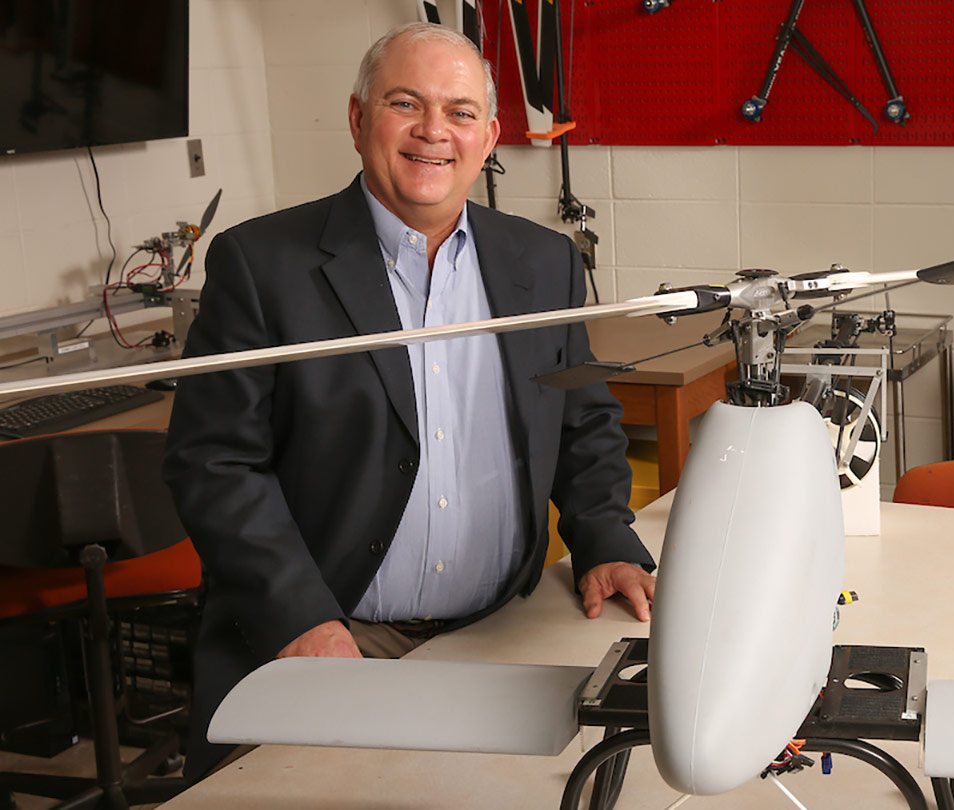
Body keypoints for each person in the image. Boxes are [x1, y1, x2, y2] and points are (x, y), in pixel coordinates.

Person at [163, 22, 655, 780]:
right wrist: (300, 616)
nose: (434, 132)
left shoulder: (543, 261)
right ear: (360, 120)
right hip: (335, 641)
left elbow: (581, 416)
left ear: (489, 136)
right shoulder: (262, 265)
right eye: (405, 104)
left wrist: (606, 538)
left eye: (460, 113)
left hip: (503, 634)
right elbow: (214, 461)